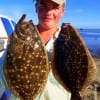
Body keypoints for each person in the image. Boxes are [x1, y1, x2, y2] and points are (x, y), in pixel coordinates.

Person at [0, 0, 71, 100]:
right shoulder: (19, 39)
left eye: (55, 7)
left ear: (62, 10)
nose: (48, 12)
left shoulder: (70, 42)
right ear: (36, 7)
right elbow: (3, 71)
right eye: (43, 5)